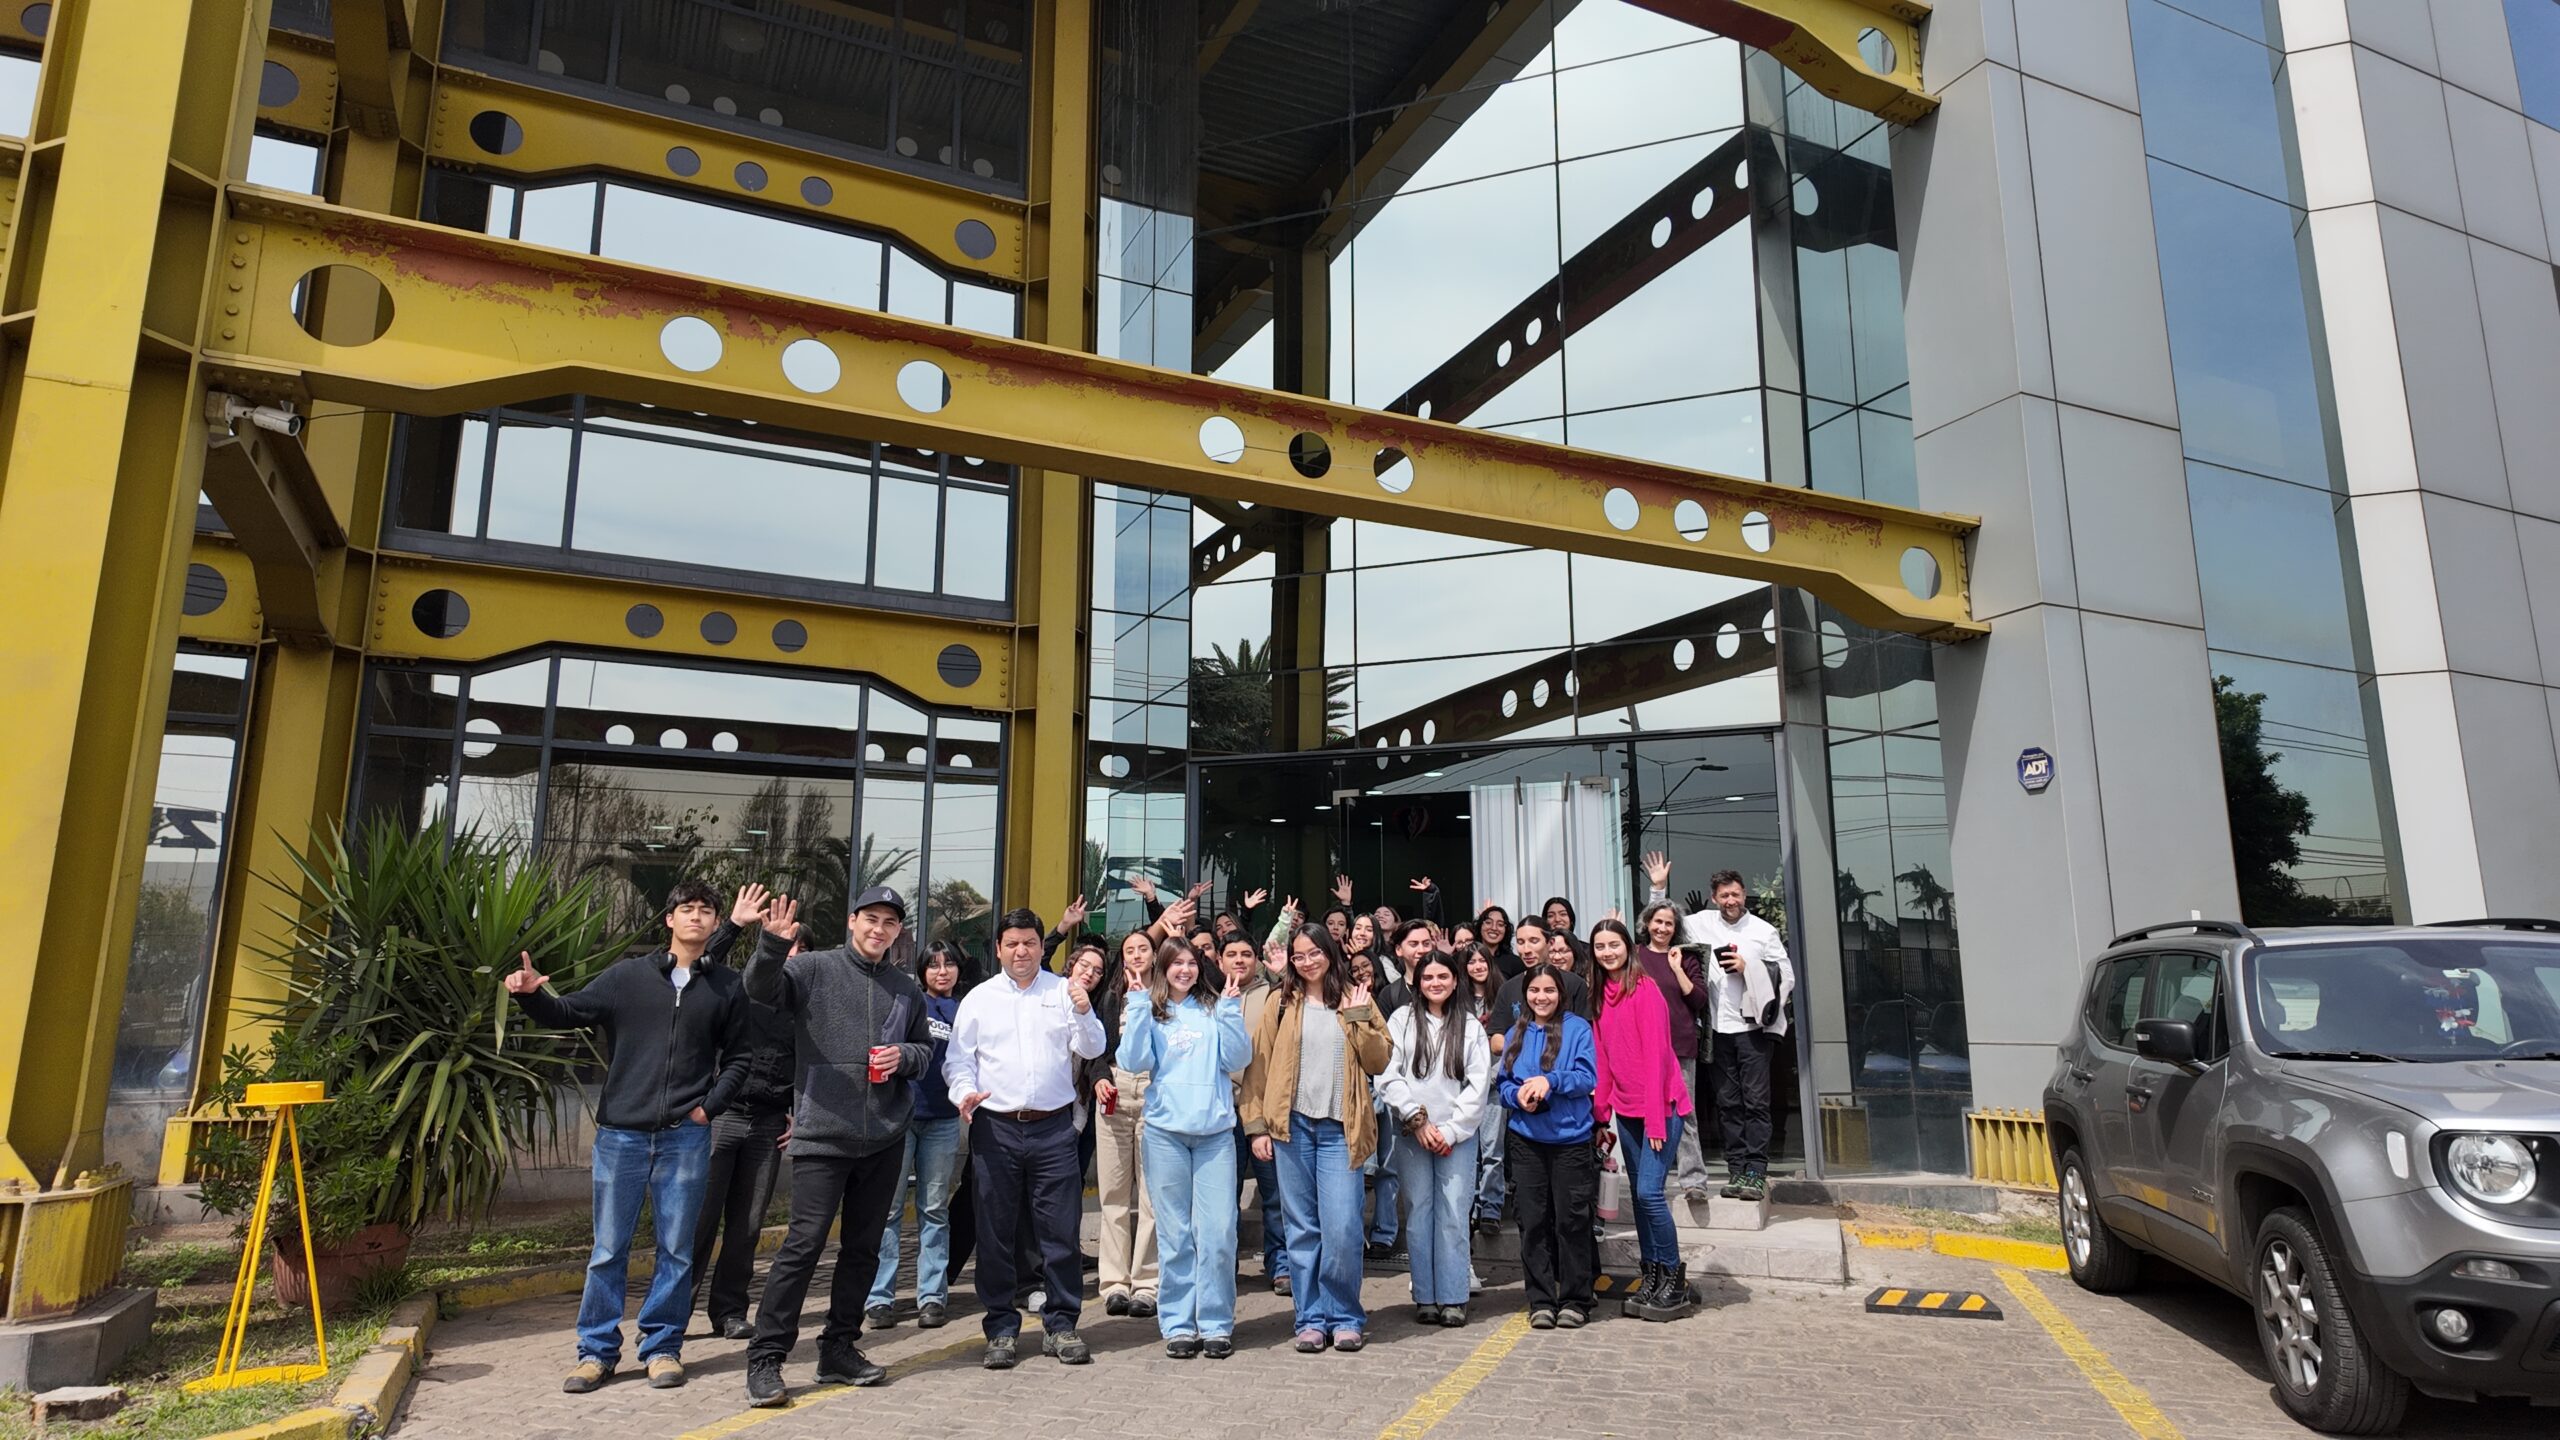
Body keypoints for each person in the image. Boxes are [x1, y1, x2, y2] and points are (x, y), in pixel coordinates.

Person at [504, 880, 750, 1394]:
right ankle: (595, 1352)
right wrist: (531, 995)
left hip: (686, 1136)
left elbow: (742, 1057)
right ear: (669, 920)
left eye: (707, 911)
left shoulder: (727, 986)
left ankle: (662, 1348)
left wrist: (709, 1107)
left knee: (677, 1250)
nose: (697, 918)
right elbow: (568, 1012)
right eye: (687, 909)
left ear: (714, 923)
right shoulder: (627, 978)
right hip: (622, 1137)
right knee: (609, 1249)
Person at [739, 887, 935, 1404]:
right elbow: (759, 990)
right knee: (803, 1248)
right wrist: (771, 946)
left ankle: (839, 1348)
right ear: (852, 921)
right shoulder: (813, 970)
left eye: (890, 923)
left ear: (898, 932)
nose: (879, 929)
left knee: (863, 1248)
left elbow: (925, 1049)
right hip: (823, 1136)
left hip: (885, 1136)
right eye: (871, 919)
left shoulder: (905, 988)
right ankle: (766, 1358)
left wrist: (906, 1058)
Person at [945, 908, 1108, 1369]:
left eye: (1030, 943)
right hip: (995, 1128)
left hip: (1054, 1128)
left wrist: (1082, 1010)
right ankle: (1000, 1327)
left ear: (1042, 947)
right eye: (1012, 943)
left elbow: (1093, 1048)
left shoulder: (1063, 991)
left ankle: (1061, 1325)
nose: (1022, 951)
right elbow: (958, 1060)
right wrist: (963, 1092)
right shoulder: (978, 999)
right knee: (995, 1232)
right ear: (998, 949)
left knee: (1059, 1231)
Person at [1241, 925, 1390, 1353]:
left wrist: (1360, 1017)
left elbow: (1379, 1060)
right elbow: (1258, 1068)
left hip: (1342, 1129)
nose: (1307, 962)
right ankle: (1310, 1319)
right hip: (1293, 1128)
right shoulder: (1280, 1002)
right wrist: (1256, 1127)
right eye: (1299, 955)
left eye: (1314, 953)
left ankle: (1345, 1316)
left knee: (1342, 1227)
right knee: (1302, 1229)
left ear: (1330, 952)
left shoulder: (1357, 998)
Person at [1116, 937, 1252, 1358]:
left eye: (1190, 963)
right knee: (1176, 1235)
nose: (1184, 971)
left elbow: (1237, 1058)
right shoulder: (1151, 1011)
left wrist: (1230, 1012)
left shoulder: (1215, 1008)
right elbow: (1133, 1060)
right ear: (1162, 968)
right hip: (1165, 1135)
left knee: (1217, 1233)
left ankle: (1214, 1322)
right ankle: (1178, 1323)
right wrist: (1137, 1006)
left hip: (1214, 1137)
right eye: (1175, 964)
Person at [1645, 861, 1796, 1201]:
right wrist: (1658, 887)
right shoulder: (1699, 925)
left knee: (1756, 1102)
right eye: (1724, 895)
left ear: (1744, 895)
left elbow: (1787, 977)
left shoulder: (1763, 931)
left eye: (1736, 894)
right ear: (1714, 898)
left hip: (1754, 1028)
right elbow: (1662, 922)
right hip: (1715, 1030)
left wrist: (1749, 967)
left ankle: (1756, 1171)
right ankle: (1736, 1169)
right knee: (1727, 1104)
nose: (1731, 900)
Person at [691, 884, 797, 1342]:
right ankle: (672, 1313)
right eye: (780, 944)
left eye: (796, 946)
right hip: (722, 1116)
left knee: (748, 1226)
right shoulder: (736, 986)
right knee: (698, 1219)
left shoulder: (805, 1001)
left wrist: (799, 1110)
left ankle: (730, 1310)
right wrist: (733, 924)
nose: (787, 954)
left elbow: (819, 1060)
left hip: (771, 1124)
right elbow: (698, 966)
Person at [1588, 919, 1696, 1320]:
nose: (1607, 952)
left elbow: (1657, 1059)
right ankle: (1651, 1276)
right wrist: (1601, 1118)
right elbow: (1603, 1062)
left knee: (1651, 1195)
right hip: (1627, 1112)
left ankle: (1675, 1279)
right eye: (1599, 947)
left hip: (1661, 1109)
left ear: (1627, 947)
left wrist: (1654, 1121)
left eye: (1613, 944)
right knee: (1638, 1196)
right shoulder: (1601, 993)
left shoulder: (1645, 990)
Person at [1376, 952, 1491, 1327]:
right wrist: (1417, 1119)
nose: (1436, 983)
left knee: (1454, 1214)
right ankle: (1425, 1295)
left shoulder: (1471, 1027)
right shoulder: (1401, 1020)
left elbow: (1478, 1085)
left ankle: (1454, 1295)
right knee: (1419, 1214)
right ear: (1419, 982)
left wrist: (1451, 1130)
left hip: (1457, 1136)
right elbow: (1387, 1075)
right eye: (1428, 978)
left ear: (1455, 981)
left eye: (1443, 976)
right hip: (1413, 1134)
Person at [865, 940, 974, 1330]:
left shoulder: (965, 1010)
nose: (942, 972)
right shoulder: (909, 1001)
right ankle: (879, 1298)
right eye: (933, 965)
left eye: (949, 965)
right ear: (922, 971)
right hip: (900, 1118)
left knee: (934, 1209)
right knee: (889, 1209)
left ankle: (932, 1295)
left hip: (943, 1120)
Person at [1498, 969, 1597, 1329]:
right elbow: (1504, 1083)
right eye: (1535, 991)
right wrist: (1518, 1096)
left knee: (1572, 1221)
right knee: (1533, 1222)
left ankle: (1575, 1299)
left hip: (1571, 1141)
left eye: (1549, 990)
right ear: (1525, 994)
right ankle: (1540, 1299)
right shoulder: (1516, 1031)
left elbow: (1587, 1078)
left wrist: (1550, 1081)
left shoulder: (1577, 1029)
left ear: (1561, 993)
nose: (1542, 997)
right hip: (1526, 1140)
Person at [1088, 929, 1163, 1319]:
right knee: (1113, 1194)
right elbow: (1094, 1046)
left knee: (1151, 1196)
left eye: (1143, 949)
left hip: (1154, 1090)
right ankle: (1114, 1283)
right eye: (1130, 949)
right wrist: (1098, 1075)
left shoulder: (1167, 994)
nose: (1136, 955)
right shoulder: (1111, 994)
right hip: (1114, 1090)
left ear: (1155, 954)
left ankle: (1147, 1284)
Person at [1633, 890, 1713, 1198]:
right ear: (1647, 924)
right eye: (1658, 921)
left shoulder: (1686, 957)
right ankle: (1652, 1177)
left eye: (1669, 923)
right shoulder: (1636, 957)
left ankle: (1693, 1181)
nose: (1663, 928)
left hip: (1679, 1045)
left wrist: (1678, 968)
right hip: (1642, 1047)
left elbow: (1698, 999)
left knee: (1683, 1113)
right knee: (1645, 1112)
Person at [1223, 931, 1290, 1295]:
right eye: (1231, 954)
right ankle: (1225, 1265)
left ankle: (1280, 1265)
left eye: (1246, 954)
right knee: (1224, 1195)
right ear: (1219, 961)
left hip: (1265, 1110)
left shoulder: (1274, 995)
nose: (1239, 960)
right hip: (1223, 1112)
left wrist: (1280, 975)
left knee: (1275, 1194)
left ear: (1257, 960)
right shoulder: (1210, 998)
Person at [1456, 943, 1509, 1236]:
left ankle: (1490, 1207)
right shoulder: (1456, 999)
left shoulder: (1501, 997)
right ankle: (1468, 1208)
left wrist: (1489, 1078)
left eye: (1482, 961)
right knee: (1467, 1152)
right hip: (1462, 1089)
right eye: (1471, 961)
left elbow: (1508, 1044)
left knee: (1492, 1151)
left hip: (1493, 1087)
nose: (1477, 966)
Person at [1484, 916, 1590, 1036]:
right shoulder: (1508, 988)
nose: (1526, 949)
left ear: (1550, 943)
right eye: (1520, 942)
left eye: (1534, 941)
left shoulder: (1574, 983)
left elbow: (1584, 1032)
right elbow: (1496, 1037)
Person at [1475, 904, 1523, 979]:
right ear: (1480, 926)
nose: (1494, 928)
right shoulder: (1467, 958)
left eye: (1500, 924)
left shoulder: (1515, 963)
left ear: (1506, 930)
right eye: (1488, 922)